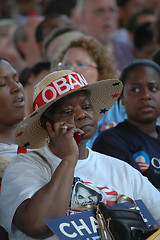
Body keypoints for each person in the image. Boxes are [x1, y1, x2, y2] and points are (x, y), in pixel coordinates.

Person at [0, 70, 160, 240]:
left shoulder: (121, 170)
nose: (81, 114)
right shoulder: (24, 166)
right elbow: (38, 226)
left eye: (86, 107)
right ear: (48, 126)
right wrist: (69, 158)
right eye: (68, 111)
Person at [92, 59, 160, 190]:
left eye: (153, 88)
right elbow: (135, 193)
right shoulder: (110, 141)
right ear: (122, 99)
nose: (145, 96)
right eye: (135, 89)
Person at [53, 35, 126, 147]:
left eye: (80, 65)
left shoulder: (118, 105)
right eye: (65, 65)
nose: (71, 70)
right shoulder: (53, 109)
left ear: (101, 71)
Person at [71, 0, 134, 72]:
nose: (108, 16)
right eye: (100, 11)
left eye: (112, 10)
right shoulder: (71, 56)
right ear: (82, 17)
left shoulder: (131, 52)